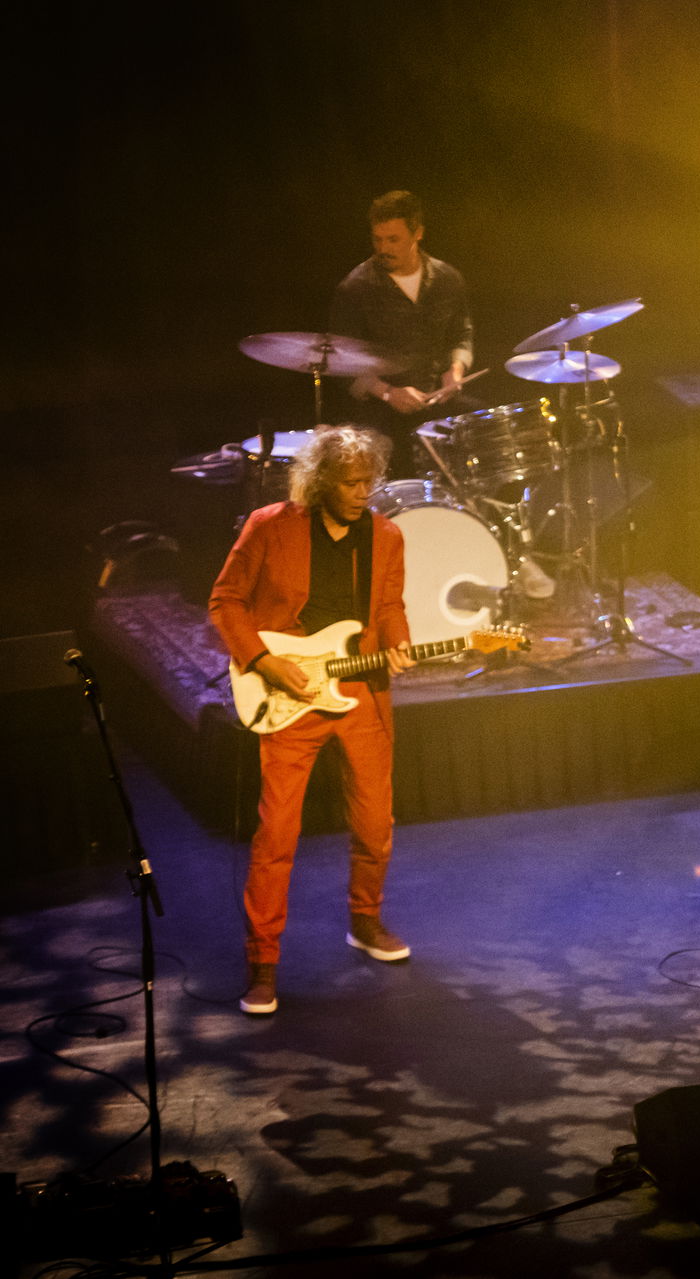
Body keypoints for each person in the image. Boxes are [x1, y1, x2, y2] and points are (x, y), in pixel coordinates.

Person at [210, 426, 416, 1015]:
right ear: (321, 481)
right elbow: (225, 601)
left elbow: (389, 607)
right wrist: (265, 662)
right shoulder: (269, 525)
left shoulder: (387, 535)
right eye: (350, 482)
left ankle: (366, 922)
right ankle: (263, 962)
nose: (362, 493)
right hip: (289, 691)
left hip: (362, 692)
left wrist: (399, 642)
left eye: (368, 481)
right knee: (277, 834)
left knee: (376, 823)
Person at [328, 190, 478, 476]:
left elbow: (462, 334)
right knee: (376, 454)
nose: (383, 247)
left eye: (393, 239)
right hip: (379, 410)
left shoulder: (448, 279)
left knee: (488, 430)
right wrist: (387, 393)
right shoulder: (355, 288)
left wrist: (456, 370)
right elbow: (340, 364)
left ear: (417, 233)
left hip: (436, 400)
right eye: (377, 239)